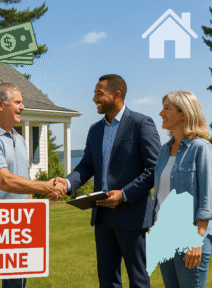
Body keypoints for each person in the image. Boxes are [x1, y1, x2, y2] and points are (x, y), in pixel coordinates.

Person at [54, 74, 161, 288]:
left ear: (117, 94)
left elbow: (154, 168)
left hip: (132, 215)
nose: (94, 98)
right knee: (107, 281)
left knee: (138, 281)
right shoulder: (95, 130)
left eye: (99, 93)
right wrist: (66, 184)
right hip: (102, 216)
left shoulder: (141, 124)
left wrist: (124, 194)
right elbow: (86, 166)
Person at [0, 83, 66, 288]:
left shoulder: (21, 140)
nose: (22, 107)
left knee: (17, 285)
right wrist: (47, 186)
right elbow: (4, 180)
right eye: (17, 102)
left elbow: (24, 180)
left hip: (19, 228)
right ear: (0, 105)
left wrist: (33, 216)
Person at [154, 91, 212, 288]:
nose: (160, 114)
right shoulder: (164, 150)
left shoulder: (201, 148)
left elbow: (207, 198)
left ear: (183, 114)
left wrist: (197, 238)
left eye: (167, 109)